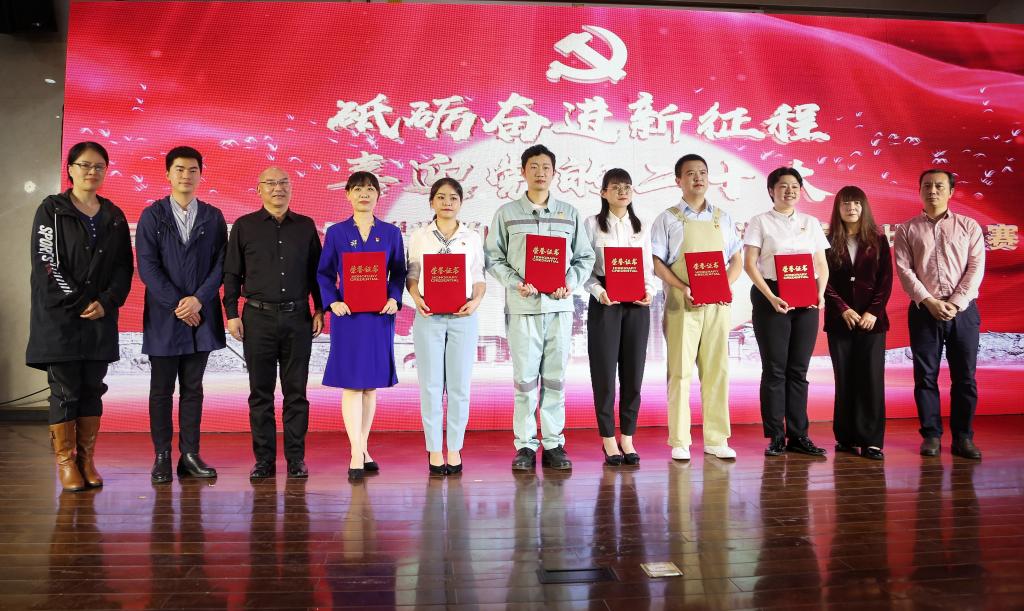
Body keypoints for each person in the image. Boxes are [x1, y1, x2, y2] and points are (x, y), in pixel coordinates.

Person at [27, 141, 134, 492]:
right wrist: (78, 300)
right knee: (65, 390)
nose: (92, 171)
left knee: (92, 390)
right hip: (60, 318)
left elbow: (123, 267)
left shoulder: (114, 215)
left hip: (99, 318)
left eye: (99, 166)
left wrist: (106, 302)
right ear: (70, 169)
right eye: (85, 165)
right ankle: (65, 462)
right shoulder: (52, 210)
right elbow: (46, 262)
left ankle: (86, 460)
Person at [484, 144, 595, 472]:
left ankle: (553, 443)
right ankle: (525, 445)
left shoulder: (569, 213)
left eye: (546, 167)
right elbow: (493, 257)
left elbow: (585, 256)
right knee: (525, 380)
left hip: (559, 308)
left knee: (555, 378)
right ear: (523, 172)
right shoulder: (507, 213)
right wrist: (515, 281)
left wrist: (570, 283)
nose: (540, 173)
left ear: (554, 172)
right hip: (523, 307)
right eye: (533, 167)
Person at [224, 167, 324, 480]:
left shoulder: (305, 226)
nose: (277, 188)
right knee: (260, 394)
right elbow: (232, 273)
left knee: (296, 393)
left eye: (283, 183)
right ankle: (264, 461)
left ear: (291, 188)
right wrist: (231, 312)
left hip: (298, 318)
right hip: (257, 318)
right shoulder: (244, 226)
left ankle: (296, 459)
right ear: (259, 189)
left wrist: (320, 309)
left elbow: (316, 273)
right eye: (270, 183)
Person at [136, 146, 228, 483]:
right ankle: (161, 456)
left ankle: (190, 455)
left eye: (192, 170)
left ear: (201, 174)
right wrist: (179, 304)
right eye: (179, 169)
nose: (186, 175)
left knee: (193, 389)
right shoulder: (152, 215)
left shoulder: (213, 216)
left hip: (201, 316)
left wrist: (199, 300)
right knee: (161, 390)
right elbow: (147, 266)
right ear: (167, 174)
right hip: (165, 316)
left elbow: (222, 264)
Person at [651, 154, 743, 462]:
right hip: (682, 304)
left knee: (717, 370)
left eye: (703, 172)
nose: (698, 178)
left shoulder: (723, 217)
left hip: (717, 304)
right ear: (678, 180)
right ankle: (680, 440)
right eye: (691, 173)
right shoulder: (667, 218)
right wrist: (682, 287)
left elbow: (736, 260)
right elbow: (657, 263)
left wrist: (724, 286)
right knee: (680, 372)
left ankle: (717, 438)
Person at [317, 172, 406, 481]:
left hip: (379, 316)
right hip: (349, 317)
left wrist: (395, 297)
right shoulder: (337, 232)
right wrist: (332, 302)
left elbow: (398, 272)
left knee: (370, 386)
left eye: (370, 189)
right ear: (348, 194)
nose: (364, 194)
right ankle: (356, 452)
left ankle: (363, 447)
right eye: (357, 189)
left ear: (379, 195)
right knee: (352, 384)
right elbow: (324, 273)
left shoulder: (391, 233)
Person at [894, 169, 985, 459]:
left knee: (965, 377)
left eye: (939, 186)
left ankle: (963, 438)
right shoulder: (906, 229)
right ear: (920, 190)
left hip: (964, 311)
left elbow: (975, 268)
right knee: (925, 376)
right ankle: (931, 436)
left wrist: (956, 302)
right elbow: (905, 270)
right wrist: (930, 301)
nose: (932, 190)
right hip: (924, 310)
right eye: (927, 186)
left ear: (951, 191)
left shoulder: (969, 226)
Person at [743, 166, 830, 457]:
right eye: (783, 186)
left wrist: (819, 293)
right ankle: (776, 436)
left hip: (806, 297)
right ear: (771, 190)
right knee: (775, 369)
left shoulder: (810, 222)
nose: (790, 191)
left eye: (795, 186)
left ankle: (799, 435)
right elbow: (750, 264)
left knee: (799, 370)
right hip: (771, 295)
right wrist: (770, 297)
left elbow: (821, 263)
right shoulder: (760, 221)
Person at [406, 178, 486, 475]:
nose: (447, 202)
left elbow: (478, 276)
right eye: (441, 197)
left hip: (463, 317)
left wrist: (476, 301)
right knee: (430, 386)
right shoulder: (420, 236)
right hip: (429, 317)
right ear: (431, 202)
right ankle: (434, 449)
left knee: (459, 387)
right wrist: (416, 297)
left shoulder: (472, 237)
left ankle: (454, 448)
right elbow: (412, 273)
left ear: (461, 202)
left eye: (453, 197)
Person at [583, 168, 656, 466]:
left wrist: (650, 291)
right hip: (606, 301)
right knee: (603, 373)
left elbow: (648, 267)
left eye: (627, 186)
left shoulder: (642, 225)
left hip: (637, 303)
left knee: (633, 372)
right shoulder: (592, 224)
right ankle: (608, 438)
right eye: (616, 187)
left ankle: (627, 436)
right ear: (604, 193)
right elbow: (585, 267)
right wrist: (599, 292)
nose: (623, 191)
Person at [823, 186, 892, 460]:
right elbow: (823, 281)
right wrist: (842, 309)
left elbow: (885, 280)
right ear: (838, 209)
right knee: (845, 379)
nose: (851, 208)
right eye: (845, 204)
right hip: (840, 322)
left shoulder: (878, 240)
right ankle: (846, 437)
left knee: (871, 379)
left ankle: (872, 441)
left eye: (856, 203)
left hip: (872, 323)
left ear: (864, 207)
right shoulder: (827, 241)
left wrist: (873, 311)